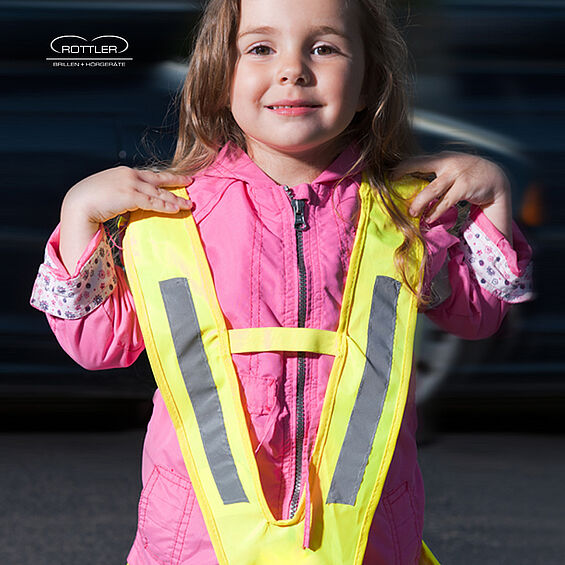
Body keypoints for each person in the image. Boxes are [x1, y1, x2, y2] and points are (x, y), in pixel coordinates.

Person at [30, 0, 533, 563]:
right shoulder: (166, 219)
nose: (293, 69)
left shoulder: (404, 217)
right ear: (222, 78)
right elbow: (98, 345)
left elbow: (478, 313)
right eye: (261, 48)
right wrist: (77, 216)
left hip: (364, 541)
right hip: (198, 544)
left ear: (370, 83)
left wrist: (493, 204)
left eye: (324, 47)